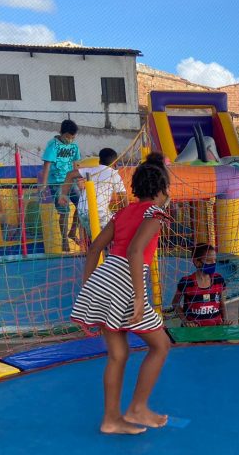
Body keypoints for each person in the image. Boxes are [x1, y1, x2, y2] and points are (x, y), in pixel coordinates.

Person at [70, 153, 173, 435]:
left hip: (104, 278)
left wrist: (89, 286)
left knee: (118, 354)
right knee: (160, 345)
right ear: (162, 190)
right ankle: (137, 407)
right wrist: (139, 297)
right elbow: (135, 251)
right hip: (125, 283)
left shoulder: (123, 213)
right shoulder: (155, 213)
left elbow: (94, 248)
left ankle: (111, 419)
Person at [61, 147, 127, 238]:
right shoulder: (114, 174)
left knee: (95, 237)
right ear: (115, 163)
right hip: (99, 213)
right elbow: (124, 200)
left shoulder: (91, 170)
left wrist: (63, 194)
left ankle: (76, 234)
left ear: (99, 160)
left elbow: (70, 174)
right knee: (116, 233)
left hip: (82, 212)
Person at [41, 119, 81, 252]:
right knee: (64, 211)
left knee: (83, 204)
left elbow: (75, 164)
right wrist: (44, 185)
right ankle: (64, 240)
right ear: (61, 133)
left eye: (73, 137)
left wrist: (79, 181)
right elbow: (47, 165)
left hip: (71, 182)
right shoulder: (53, 145)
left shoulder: (74, 146)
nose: (70, 140)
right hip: (57, 183)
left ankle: (73, 231)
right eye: (68, 137)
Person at [171, 243, 230, 327]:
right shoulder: (186, 282)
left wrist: (225, 320)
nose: (213, 263)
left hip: (216, 328)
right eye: (209, 260)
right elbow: (175, 303)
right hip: (194, 330)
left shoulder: (218, 279)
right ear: (197, 262)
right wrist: (185, 321)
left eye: (215, 260)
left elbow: (222, 303)